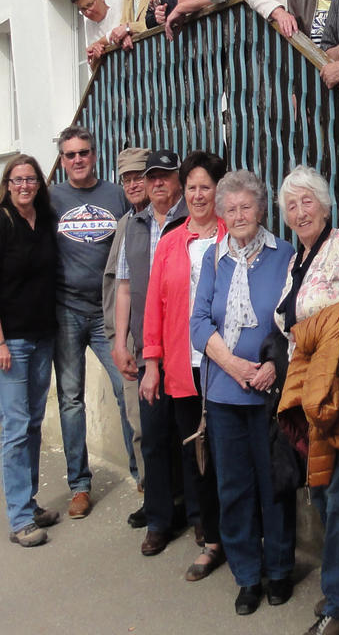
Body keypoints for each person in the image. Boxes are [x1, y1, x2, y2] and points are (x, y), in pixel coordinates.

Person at [274, 166, 339, 635]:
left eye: (307, 201)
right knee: (321, 491)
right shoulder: (299, 260)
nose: (300, 212)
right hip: (309, 391)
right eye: (292, 206)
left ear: (325, 204)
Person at [190, 170, 296, 616]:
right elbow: (198, 325)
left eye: (245, 207)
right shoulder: (214, 258)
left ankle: (280, 569)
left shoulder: (285, 255)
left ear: (261, 208)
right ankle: (247, 575)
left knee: (276, 483)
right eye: (229, 209)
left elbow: (296, 321)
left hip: (270, 396)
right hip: (223, 393)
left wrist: (274, 364)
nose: (237, 216)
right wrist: (232, 364)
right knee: (234, 487)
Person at [141, 151, 227, 581]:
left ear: (219, 191)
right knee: (194, 451)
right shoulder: (172, 241)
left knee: (228, 453)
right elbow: (154, 304)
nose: (197, 195)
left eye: (205, 187)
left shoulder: (234, 234)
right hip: (182, 363)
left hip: (226, 364)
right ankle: (210, 534)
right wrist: (152, 362)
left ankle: (232, 532)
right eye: (191, 187)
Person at [50, 125, 135, 520]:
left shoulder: (116, 195)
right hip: (65, 310)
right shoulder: (51, 199)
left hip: (106, 315)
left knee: (125, 388)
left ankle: (141, 473)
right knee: (70, 399)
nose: (78, 159)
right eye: (70, 154)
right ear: (62, 159)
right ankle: (79, 486)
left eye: (83, 152)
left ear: (94, 155)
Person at [113, 149, 191, 557]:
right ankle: (159, 519)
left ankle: (196, 518)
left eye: (164, 176)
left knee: (190, 437)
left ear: (178, 180)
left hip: (187, 348)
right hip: (148, 351)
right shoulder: (134, 225)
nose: (157, 183)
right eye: (151, 177)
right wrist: (121, 341)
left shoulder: (189, 218)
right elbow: (124, 287)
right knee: (155, 439)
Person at [0, 155, 59, 547]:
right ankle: (20, 518)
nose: (25, 185)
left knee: (34, 423)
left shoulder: (45, 219)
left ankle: (30, 501)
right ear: (7, 184)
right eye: (18, 180)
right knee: (15, 429)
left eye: (31, 179)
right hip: (14, 341)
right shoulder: (2, 222)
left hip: (43, 336)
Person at [102, 147, 151, 528]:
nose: (135, 184)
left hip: (170, 340)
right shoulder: (125, 225)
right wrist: (118, 340)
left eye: (141, 176)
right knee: (139, 423)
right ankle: (153, 497)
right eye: (128, 179)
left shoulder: (171, 220)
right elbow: (117, 286)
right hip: (133, 341)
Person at [70, 0, 122, 68]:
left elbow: (115, 35)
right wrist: (95, 56)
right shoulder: (89, 25)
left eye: (89, 5)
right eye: (83, 9)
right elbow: (93, 68)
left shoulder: (118, 7)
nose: (87, 13)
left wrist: (97, 44)